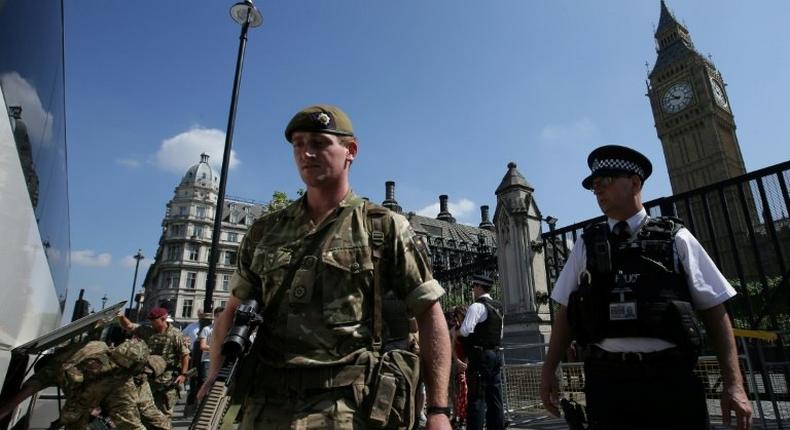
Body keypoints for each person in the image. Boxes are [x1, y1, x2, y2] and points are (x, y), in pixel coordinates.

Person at [199, 105, 452, 430]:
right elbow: (232, 312)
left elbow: (430, 315)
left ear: (351, 151)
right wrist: (215, 379)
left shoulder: (383, 227)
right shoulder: (265, 232)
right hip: (265, 406)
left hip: (348, 407)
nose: (306, 152)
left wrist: (438, 410)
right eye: (298, 144)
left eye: (319, 142)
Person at [539, 145, 753, 430]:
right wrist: (548, 370)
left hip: (669, 379)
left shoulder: (676, 237)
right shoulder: (585, 244)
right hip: (607, 381)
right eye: (594, 186)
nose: (598, 190)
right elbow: (565, 312)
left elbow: (715, 309)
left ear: (635, 183)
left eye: (607, 181)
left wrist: (733, 383)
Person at [118, 306, 190, 418]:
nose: (152, 323)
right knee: (143, 411)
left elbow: (184, 355)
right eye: (151, 320)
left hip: (167, 380)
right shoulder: (147, 330)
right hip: (147, 377)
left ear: (163, 319)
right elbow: (129, 326)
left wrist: (183, 374)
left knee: (164, 413)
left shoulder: (175, 334)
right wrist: (121, 316)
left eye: (154, 320)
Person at [458, 275, 505, 430]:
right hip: (496, 354)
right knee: (495, 397)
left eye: (473, 287)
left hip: (481, 357)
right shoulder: (498, 307)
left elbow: (465, 331)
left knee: (477, 397)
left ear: (478, 287)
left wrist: (455, 334)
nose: (473, 290)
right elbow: (500, 334)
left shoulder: (476, 306)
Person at [449, 305, 468, 429]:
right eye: (457, 317)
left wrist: (466, 363)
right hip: (457, 364)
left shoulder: (468, 329)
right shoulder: (453, 330)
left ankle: (463, 417)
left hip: (467, 364)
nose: (459, 320)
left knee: (465, 391)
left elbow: (470, 348)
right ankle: (457, 416)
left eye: (461, 317)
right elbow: (452, 348)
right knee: (455, 392)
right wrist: (457, 361)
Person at [197, 307, 223, 391]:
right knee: (206, 386)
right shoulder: (207, 329)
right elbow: (203, 346)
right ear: (214, 316)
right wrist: (217, 348)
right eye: (218, 316)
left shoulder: (227, 330)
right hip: (208, 361)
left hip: (221, 362)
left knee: (218, 387)